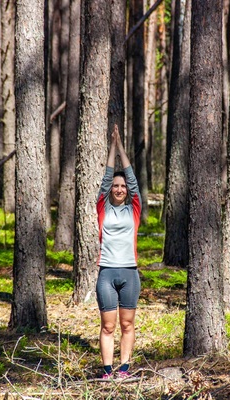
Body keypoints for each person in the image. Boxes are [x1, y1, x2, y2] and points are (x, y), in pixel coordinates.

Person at [96, 124, 142, 380]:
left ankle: (124, 369)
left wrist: (122, 148)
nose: (119, 188)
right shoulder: (103, 208)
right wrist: (112, 147)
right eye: (116, 185)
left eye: (122, 186)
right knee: (108, 325)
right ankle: (107, 371)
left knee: (127, 324)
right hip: (107, 272)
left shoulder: (133, 209)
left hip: (130, 273)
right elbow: (104, 180)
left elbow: (133, 181)